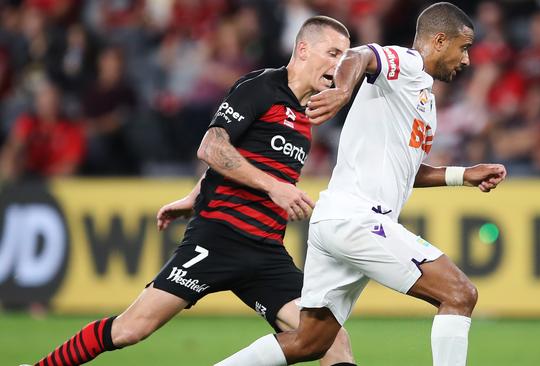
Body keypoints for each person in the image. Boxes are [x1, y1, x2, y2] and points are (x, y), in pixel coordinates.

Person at [27, 16, 356, 366]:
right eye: (333, 52)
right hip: (217, 238)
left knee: (332, 340)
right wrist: (273, 186)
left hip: (266, 252)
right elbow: (212, 147)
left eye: (345, 56)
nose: (340, 64)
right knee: (131, 329)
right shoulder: (260, 87)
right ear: (303, 49)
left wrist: (193, 196)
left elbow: (236, 156)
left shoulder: (308, 114)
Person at [214, 3, 507, 366]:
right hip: (358, 219)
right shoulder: (408, 63)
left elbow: (405, 169)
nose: (466, 60)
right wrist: (340, 90)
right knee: (460, 293)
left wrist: (462, 175)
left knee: (310, 343)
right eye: (463, 48)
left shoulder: (421, 99)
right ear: (440, 40)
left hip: (335, 220)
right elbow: (360, 54)